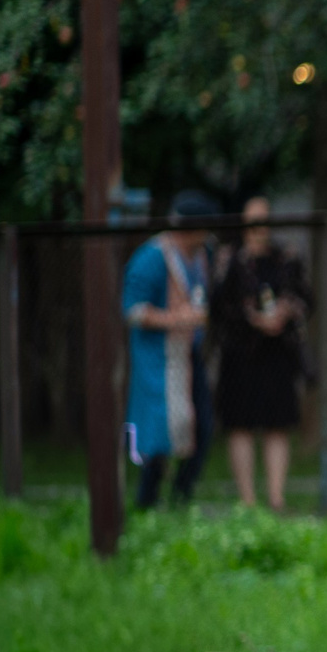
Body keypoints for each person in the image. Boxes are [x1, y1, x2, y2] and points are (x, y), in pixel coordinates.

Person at [211, 196, 311, 510]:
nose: (259, 228)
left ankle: (276, 498)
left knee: (276, 424)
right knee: (240, 424)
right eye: (252, 221)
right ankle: (248, 501)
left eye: (263, 220)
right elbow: (217, 307)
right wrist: (251, 318)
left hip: (277, 355)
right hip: (241, 354)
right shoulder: (231, 259)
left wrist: (286, 311)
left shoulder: (286, 258)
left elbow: (307, 299)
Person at [122, 191, 218, 509]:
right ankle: (146, 503)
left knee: (202, 427)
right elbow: (133, 310)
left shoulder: (202, 256)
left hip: (188, 356)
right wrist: (175, 319)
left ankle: (180, 499)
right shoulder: (152, 257)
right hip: (157, 361)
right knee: (158, 434)